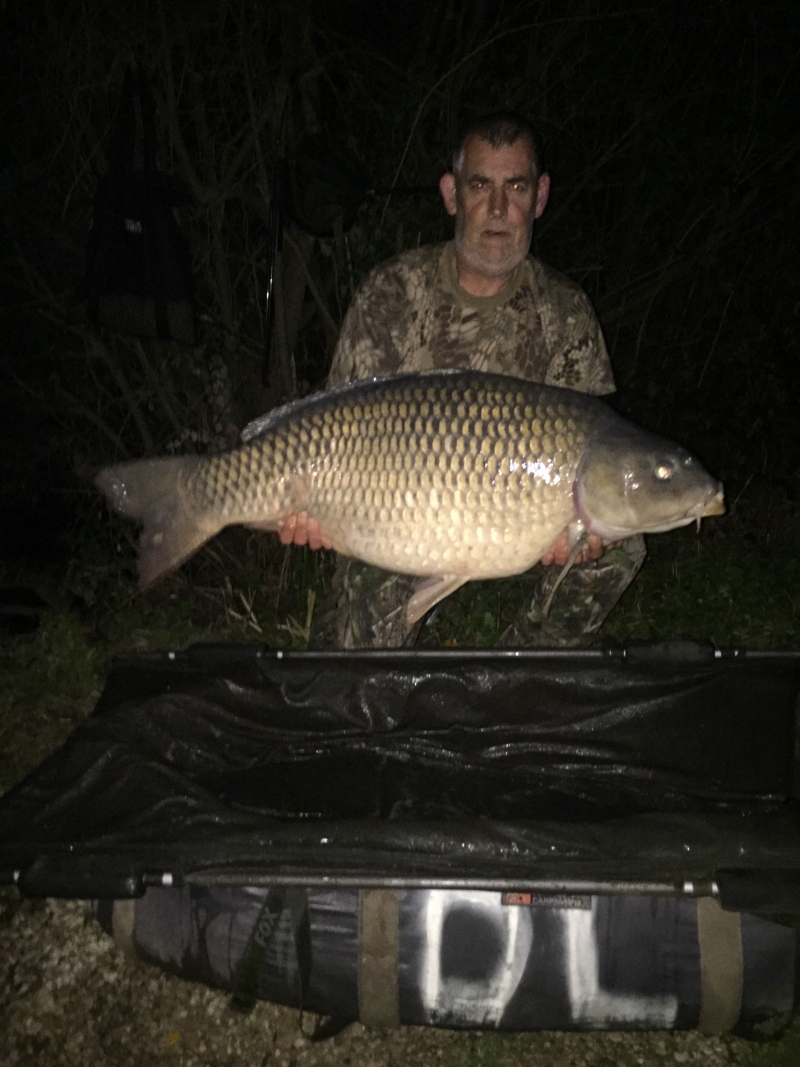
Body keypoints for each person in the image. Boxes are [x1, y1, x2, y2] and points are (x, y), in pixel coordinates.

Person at [279, 111, 645, 649]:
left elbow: (592, 449)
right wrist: (313, 506)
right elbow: (331, 429)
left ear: (539, 197)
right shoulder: (392, 294)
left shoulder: (565, 313)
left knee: (622, 539)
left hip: (519, 520)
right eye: (480, 185)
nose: (498, 209)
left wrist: (584, 533)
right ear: (452, 194)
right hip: (394, 515)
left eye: (515, 186)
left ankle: (521, 670)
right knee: (357, 644)